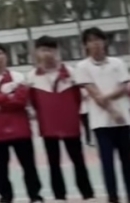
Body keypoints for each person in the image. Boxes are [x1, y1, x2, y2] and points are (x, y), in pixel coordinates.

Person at [75, 27, 130, 203]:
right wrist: (112, 110)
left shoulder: (117, 63)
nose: (95, 43)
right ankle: (113, 197)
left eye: (98, 39)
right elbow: (93, 93)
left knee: (128, 161)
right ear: (85, 45)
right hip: (101, 122)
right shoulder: (82, 66)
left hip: (123, 120)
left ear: (105, 42)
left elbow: (124, 87)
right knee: (107, 163)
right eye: (90, 41)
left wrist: (108, 100)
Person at [28, 36, 95, 201]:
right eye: (44, 50)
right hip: (48, 126)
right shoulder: (31, 77)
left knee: (78, 161)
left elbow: (80, 98)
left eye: (51, 49)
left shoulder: (71, 73)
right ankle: (59, 196)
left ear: (57, 51)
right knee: (53, 164)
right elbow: (32, 104)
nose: (48, 53)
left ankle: (87, 194)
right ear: (37, 52)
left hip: (70, 125)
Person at [0, 43, 43, 203]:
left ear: (6, 56)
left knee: (29, 166)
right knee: (1, 169)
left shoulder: (19, 77)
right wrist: (8, 97)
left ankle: (35, 196)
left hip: (21, 131)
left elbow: (20, 101)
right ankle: (5, 197)